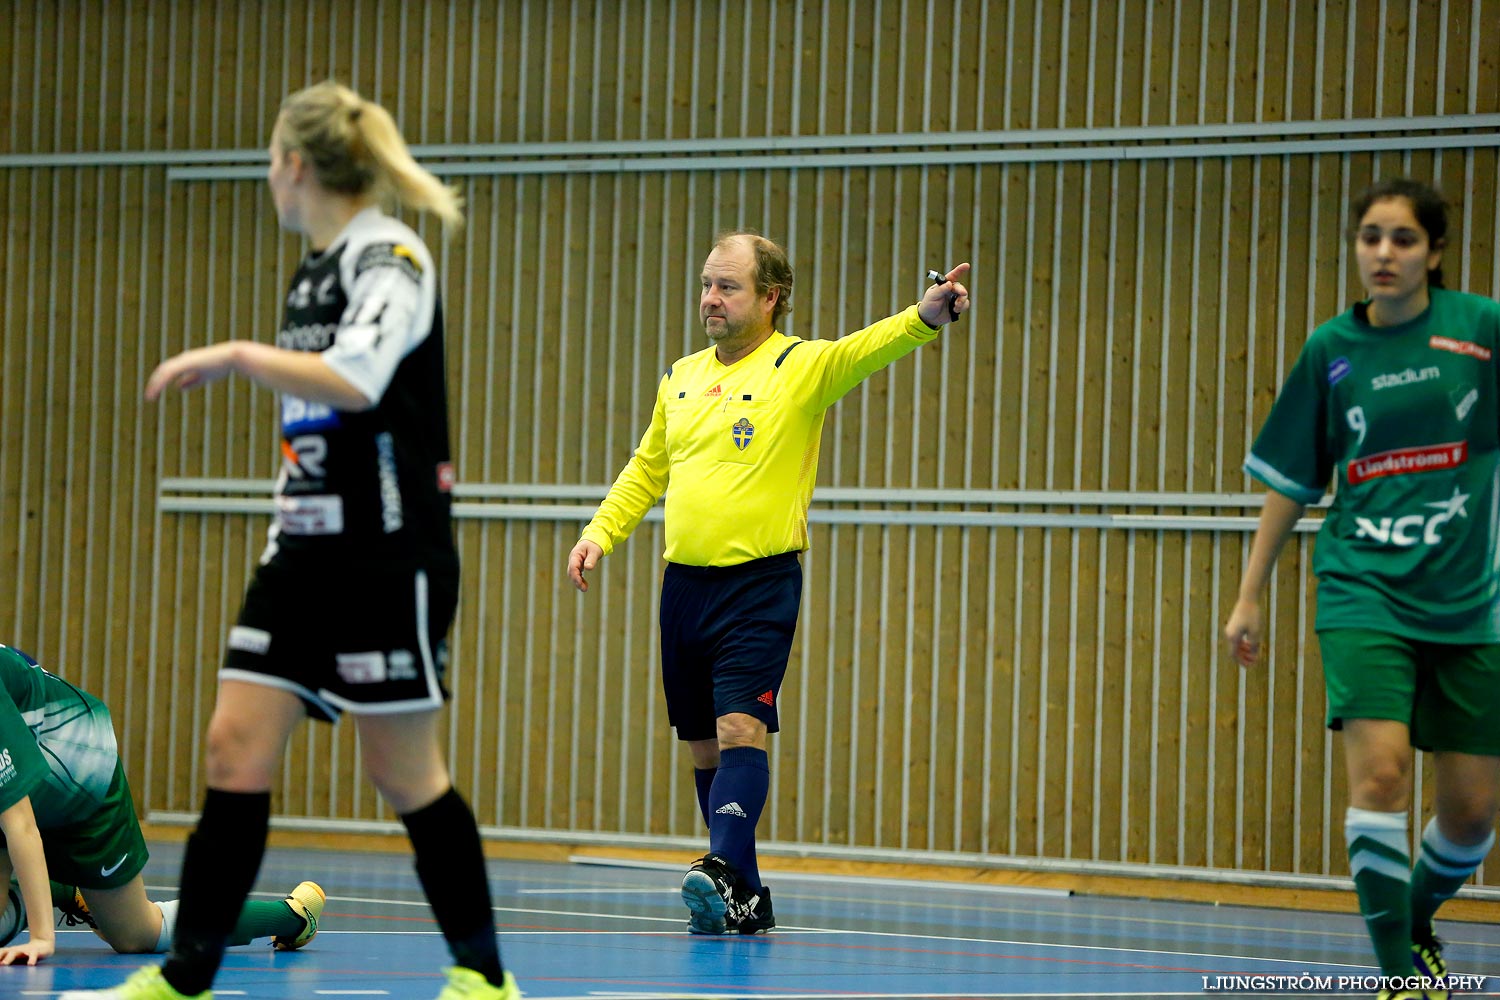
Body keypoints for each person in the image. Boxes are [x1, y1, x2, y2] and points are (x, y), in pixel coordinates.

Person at [64, 81, 516, 1000]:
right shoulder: (311, 271)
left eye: (271, 159)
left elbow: (355, 377)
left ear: (295, 165)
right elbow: (314, 424)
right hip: (302, 551)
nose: (268, 175)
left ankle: (483, 977)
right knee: (234, 747)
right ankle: (185, 973)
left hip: (390, 554)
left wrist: (231, 356)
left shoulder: (390, 256)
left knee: (404, 771)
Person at [567, 231, 970, 934]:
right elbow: (647, 468)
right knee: (702, 744)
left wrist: (925, 315)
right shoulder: (680, 376)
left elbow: (866, 349)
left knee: (739, 726)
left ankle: (720, 868)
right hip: (683, 587)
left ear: (771, 297)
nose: (710, 299)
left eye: (727, 287)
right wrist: (600, 532)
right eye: (705, 285)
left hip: (759, 584)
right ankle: (746, 895)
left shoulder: (799, 365)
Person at [1224, 177, 1500, 1000]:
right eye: (1370, 237)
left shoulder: (1480, 333)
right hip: (1362, 588)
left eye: (1403, 239)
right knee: (1380, 777)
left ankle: (1413, 922)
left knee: (1472, 817)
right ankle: (1400, 981)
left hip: (1469, 600)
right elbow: (1291, 480)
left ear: (1436, 253)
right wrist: (1250, 592)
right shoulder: (1331, 350)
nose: (1384, 253)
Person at [0, 645, 322, 967]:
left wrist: (42, 937)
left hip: (81, 774)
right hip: (26, 767)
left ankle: (292, 915)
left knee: (137, 935)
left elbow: (21, 825)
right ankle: (61, 888)